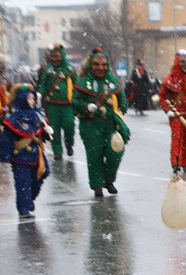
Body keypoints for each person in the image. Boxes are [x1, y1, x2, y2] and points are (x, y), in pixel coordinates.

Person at [72, 48, 130, 198]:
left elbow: (122, 98)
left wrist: (121, 111)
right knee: (94, 155)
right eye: (96, 64)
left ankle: (109, 180)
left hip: (110, 123)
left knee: (115, 152)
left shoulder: (113, 81)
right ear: (91, 65)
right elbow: (75, 101)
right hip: (91, 124)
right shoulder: (83, 82)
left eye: (104, 64)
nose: (100, 68)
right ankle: (97, 185)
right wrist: (87, 107)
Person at [0, 84, 49, 219]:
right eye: (30, 99)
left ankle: (29, 199)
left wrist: (48, 133)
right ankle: (24, 207)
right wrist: (5, 155)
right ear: (22, 100)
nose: (33, 101)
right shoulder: (14, 119)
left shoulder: (38, 115)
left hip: (37, 154)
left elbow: (43, 133)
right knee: (23, 182)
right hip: (20, 156)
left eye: (33, 99)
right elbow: (6, 139)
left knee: (42, 175)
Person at [37, 43, 77, 160]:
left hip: (67, 105)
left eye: (58, 56)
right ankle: (57, 151)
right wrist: (39, 94)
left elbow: (77, 86)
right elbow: (43, 84)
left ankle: (69, 144)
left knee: (69, 127)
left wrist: (77, 99)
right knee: (54, 128)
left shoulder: (70, 69)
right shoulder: (47, 69)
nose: (55, 59)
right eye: (53, 56)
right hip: (52, 105)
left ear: (62, 56)